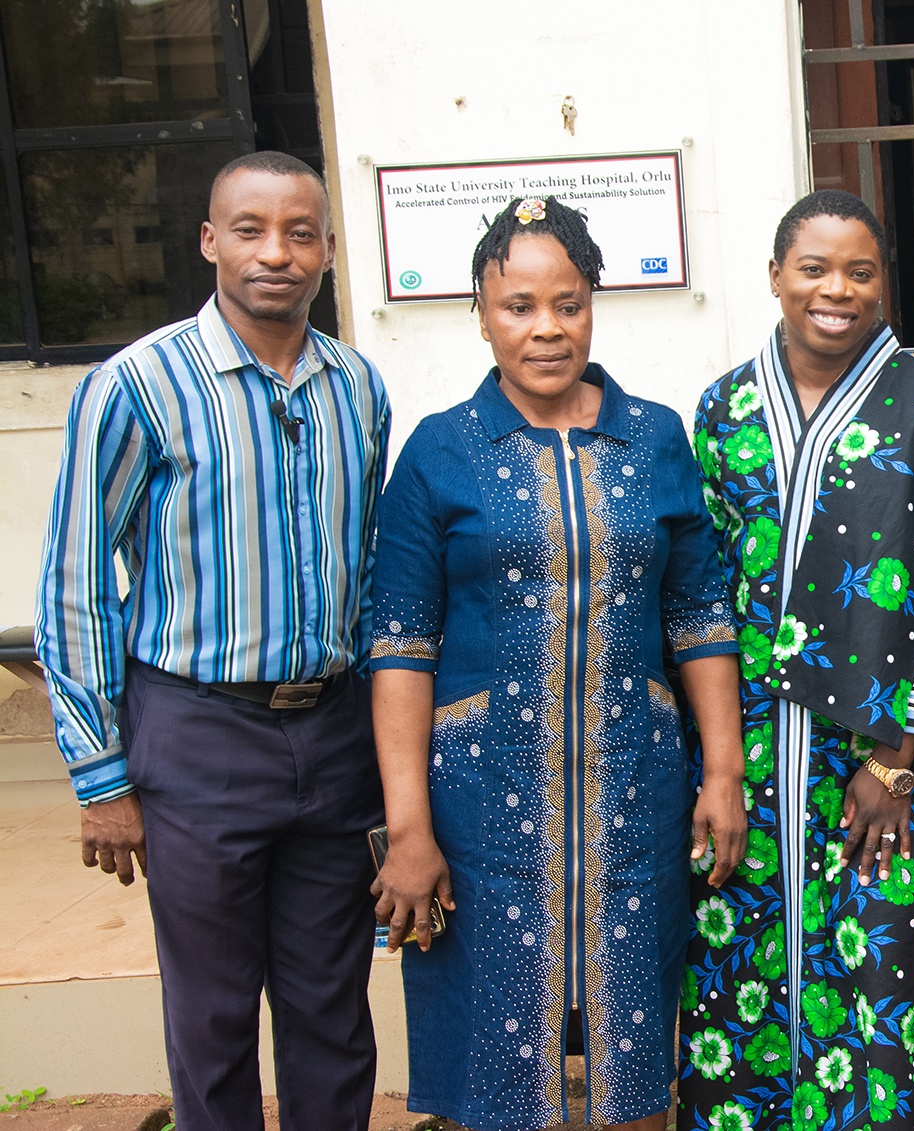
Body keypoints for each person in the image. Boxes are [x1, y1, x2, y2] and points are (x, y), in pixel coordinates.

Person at [365, 196, 746, 1131]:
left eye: (567, 304)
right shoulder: (438, 451)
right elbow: (401, 646)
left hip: (635, 793)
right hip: (482, 810)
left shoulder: (653, 436)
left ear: (593, 305)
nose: (546, 328)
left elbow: (699, 614)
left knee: (633, 1057)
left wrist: (724, 771)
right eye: (519, 306)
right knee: (494, 1065)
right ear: (482, 314)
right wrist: (409, 826)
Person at [35, 151, 389, 1130]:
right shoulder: (135, 387)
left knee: (331, 1006)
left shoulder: (357, 388)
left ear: (326, 248)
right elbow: (74, 581)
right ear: (208, 241)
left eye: (300, 232)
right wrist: (99, 773)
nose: (276, 253)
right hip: (195, 733)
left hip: (331, 735)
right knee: (213, 1013)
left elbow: (364, 571)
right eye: (249, 230)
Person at [678, 189, 914, 1131]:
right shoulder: (726, 407)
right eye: (814, 268)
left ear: (883, 285)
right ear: (776, 277)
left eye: (860, 271)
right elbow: (699, 586)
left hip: (876, 754)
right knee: (740, 962)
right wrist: (715, 761)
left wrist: (893, 764)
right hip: (740, 750)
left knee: (884, 974)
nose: (837, 289)